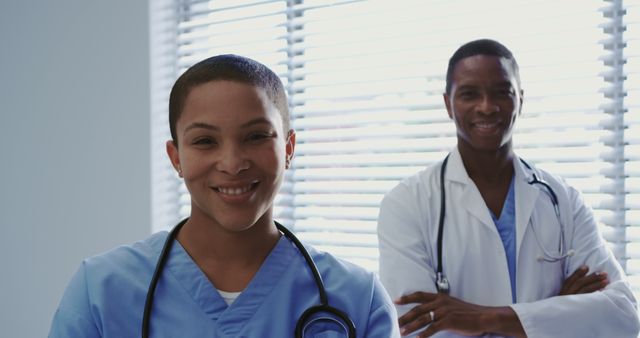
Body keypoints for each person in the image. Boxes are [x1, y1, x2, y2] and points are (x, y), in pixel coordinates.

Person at [49, 54, 400, 337]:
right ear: (176, 158)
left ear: (289, 148)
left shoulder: (358, 300)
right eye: (205, 141)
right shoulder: (100, 292)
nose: (232, 164)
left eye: (256, 136)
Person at [377, 39, 640, 338]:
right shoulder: (406, 204)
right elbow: (418, 328)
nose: (487, 107)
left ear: (521, 100)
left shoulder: (564, 200)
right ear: (448, 104)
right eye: (469, 94)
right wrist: (556, 313)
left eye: (502, 92)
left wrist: (482, 319)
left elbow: (623, 316)